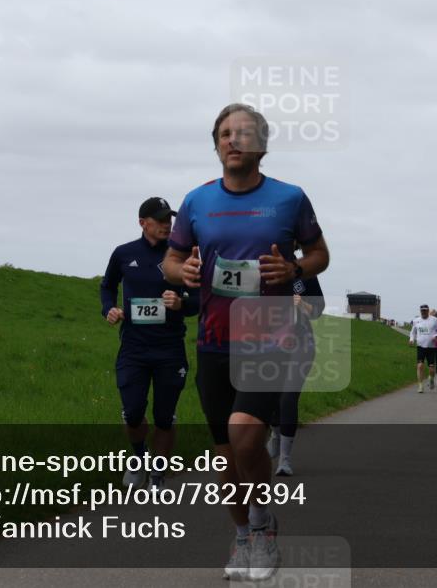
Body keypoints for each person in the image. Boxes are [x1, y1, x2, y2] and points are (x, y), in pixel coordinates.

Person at [163, 104, 329, 582]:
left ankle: (261, 529)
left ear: (261, 144)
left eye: (244, 134)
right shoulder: (196, 202)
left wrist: (295, 269)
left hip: (270, 335)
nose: (233, 140)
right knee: (224, 457)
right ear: (215, 144)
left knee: (245, 432)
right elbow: (172, 261)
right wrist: (184, 270)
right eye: (224, 134)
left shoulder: (289, 198)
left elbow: (320, 253)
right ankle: (245, 533)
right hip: (214, 340)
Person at [100, 197, 199, 491]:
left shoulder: (181, 257)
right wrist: (109, 309)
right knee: (132, 413)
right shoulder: (123, 254)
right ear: (143, 223)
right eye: (160, 220)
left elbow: (199, 300)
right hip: (133, 347)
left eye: (170, 220)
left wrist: (181, 302)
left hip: (169, 347)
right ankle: (140, 458)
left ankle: (158, 474)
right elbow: (107, 286)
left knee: (164, 418)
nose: (167, 225)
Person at [267, 267, 326, 476]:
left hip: (301, 343)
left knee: (288, 398)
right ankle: (275, 434)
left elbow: (318, 309)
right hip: (271, 343)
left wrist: (303, 305)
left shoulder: (305, 273)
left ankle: (284, 459)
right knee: (271, 398)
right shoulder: (264, 270)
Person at [408, 304, 437, 391]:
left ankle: (431, 379)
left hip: (431, 347)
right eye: (422, 310)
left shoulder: (434, 320)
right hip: (420, 346)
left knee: (431, 369)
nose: (423, 312)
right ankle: (420, 385)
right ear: (420, 311)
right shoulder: (416, 321)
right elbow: (413, 332)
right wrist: (411, 339)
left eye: (425, 310)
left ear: (428, 310)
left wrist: (436, 336)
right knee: (420, 366)